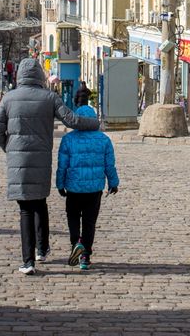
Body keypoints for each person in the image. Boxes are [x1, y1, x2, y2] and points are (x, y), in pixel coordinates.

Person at [0, 57, 99, 276]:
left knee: (25, 209)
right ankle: (43, 248)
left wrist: (10, 149)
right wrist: (94, 123)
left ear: (20, 75)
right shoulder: (49, 97)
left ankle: (28, 261)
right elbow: (72, 120)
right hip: (41, 160)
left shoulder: (9, 98)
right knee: (40, 202)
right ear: (40, 75)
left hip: (17, 161)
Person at [55, 105, 119, 272]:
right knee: (89, 223)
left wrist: (60, 184)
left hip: (74, 189)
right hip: (94, 189)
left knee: (73, 218)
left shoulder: (68, 139)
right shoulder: (104, 139)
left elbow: (62, 166)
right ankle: (85, 257)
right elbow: (109, 165)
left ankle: (76, 242)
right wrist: (113, 182)